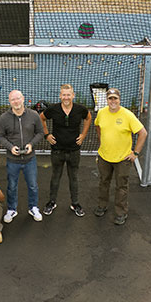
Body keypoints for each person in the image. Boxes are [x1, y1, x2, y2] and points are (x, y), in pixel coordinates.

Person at [93, 88, 148, 226]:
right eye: (110, 98)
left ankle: (121, 212)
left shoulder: (127, 115)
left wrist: (135, 153)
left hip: (123, 159)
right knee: (103, 182)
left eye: (115, 98)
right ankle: (102, 205)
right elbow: (98, 127)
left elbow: (143, 133)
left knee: (121, 186)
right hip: (104, 157)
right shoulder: (101, 113)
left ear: (119, 99)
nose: (112, 101)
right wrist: (102, 143)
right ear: (107, 100)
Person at [40, 84, 92, 217]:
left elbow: (88, 118)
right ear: (60, 96)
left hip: (74, 150)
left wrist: (83, 135)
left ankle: (75, 203)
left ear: (73, 95)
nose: (66, 97)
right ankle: (52, 202)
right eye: (64, 95)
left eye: (69, 94)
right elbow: (41, 118)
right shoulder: (54, 109)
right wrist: (47, 135)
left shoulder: (80, 109)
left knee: (73, 178)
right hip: (57, 150)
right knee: (55, 177)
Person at [0, 89, 44, 223]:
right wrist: (11, 147)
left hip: (30, 159)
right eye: (13, 99)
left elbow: (40, 133)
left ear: (23, 99)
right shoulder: (4, 118)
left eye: (18, 98)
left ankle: (33, 207)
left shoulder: (34, 115)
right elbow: (0, 136)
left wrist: (31, 145)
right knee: (12, 186)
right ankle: (12, 209)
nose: (16, 102)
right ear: (9, 102)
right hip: (13, 160)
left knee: (33, 185)